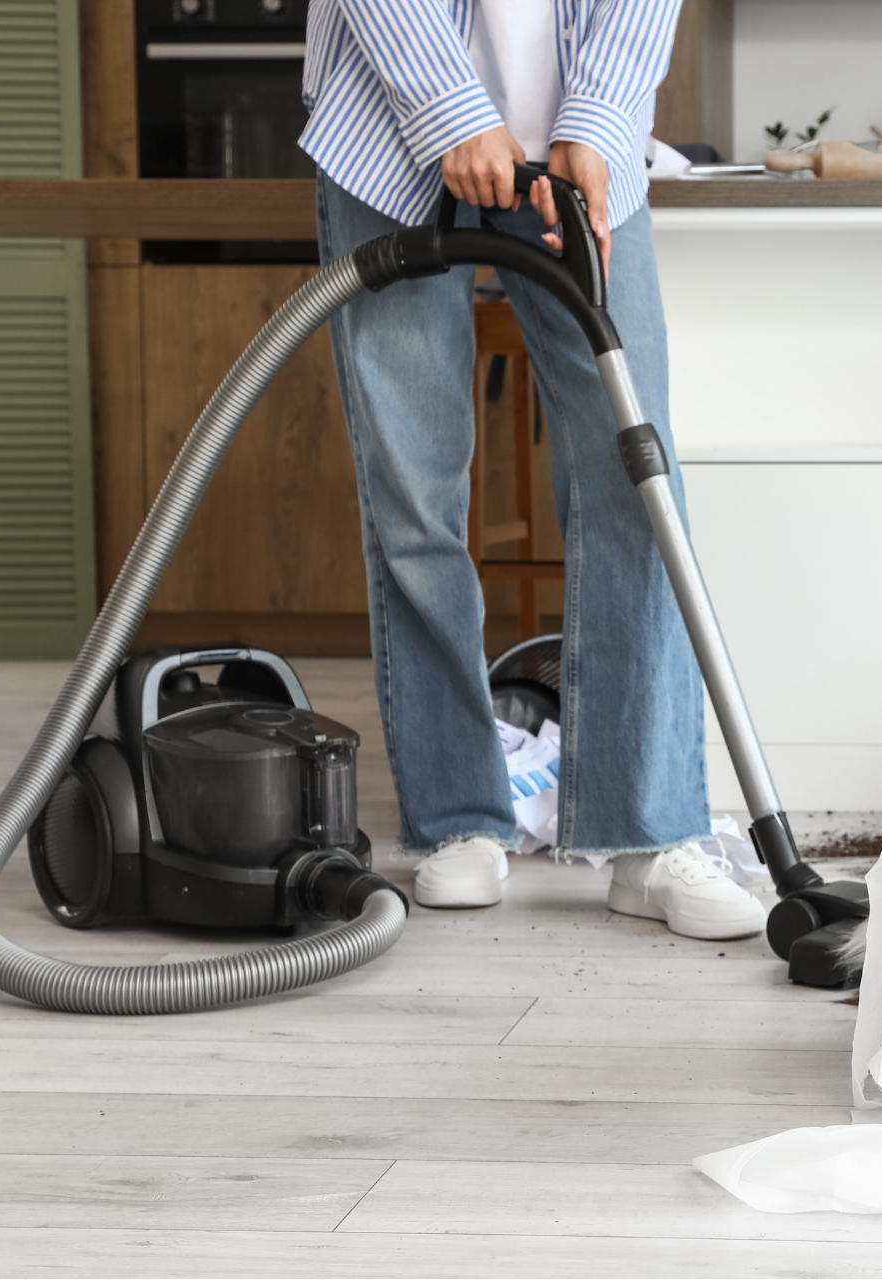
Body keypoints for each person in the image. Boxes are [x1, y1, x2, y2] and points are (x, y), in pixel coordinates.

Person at [299, 0, 764, 939]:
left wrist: (597, 119)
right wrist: (450, 111)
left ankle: (650, 834)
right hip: (390, 127)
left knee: (635, 481)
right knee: (414, 490)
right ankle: (457, 818)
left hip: (580, 145)